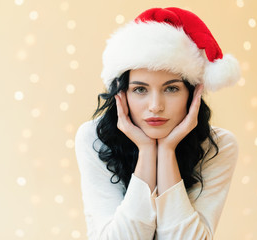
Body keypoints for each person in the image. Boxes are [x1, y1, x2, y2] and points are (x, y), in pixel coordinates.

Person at [74, 7, 241, 240]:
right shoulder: (94, 138)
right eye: (140, 89)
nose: (155, 106)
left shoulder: (219, 145)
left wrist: (166, 151)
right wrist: (146, 151)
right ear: (121, 93)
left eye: (171, 88)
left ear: (193, 94)